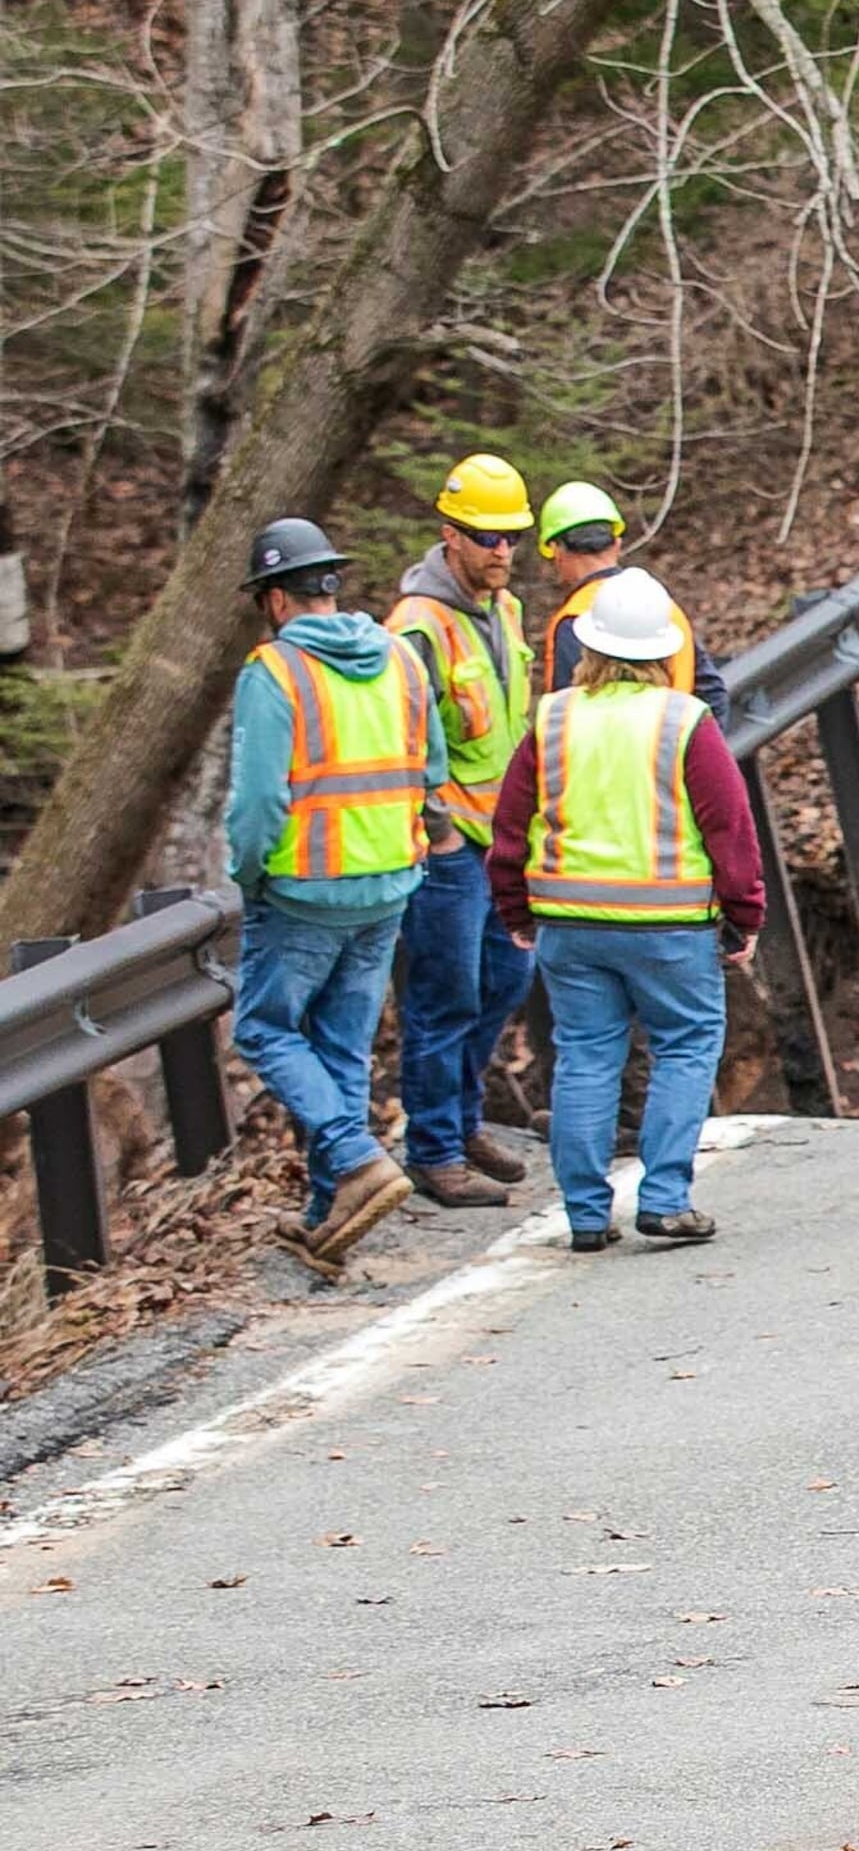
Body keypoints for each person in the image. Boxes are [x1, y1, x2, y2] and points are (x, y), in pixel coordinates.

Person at [483, 569, 768, 1252]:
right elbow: (728, 825)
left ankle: (585, 1213)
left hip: (572, 925)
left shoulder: (551, 718)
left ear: (589, 647)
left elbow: (511, 825)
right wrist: (745, 914)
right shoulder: (684, 721)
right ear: (664, 652)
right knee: (687, 1045)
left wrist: (515, 909)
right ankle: (665, 1198)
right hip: (669, 926)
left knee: (583, 1055)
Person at [223, 516, 431, 1272]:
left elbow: (254, 808)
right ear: (330, 586)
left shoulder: (274, 673)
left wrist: (249, 875)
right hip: (387, 884)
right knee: (340, 1045)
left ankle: (354, 1157)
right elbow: (430, 767)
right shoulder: (401, 659)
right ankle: (327, 1211)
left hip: (304, 889)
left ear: (276, 599)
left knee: (265, 1032)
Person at [387, 451, 540, 1210]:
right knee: (444, 995)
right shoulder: (417, 627)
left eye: (512, 535)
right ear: (450, 536)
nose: (502, 549)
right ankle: (435, 1148)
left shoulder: (504, 611)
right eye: (487, 537)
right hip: (450, 848)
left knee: (507, 979)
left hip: (504, 835)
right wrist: (439, 827)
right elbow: (403, 739)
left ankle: (464, 1118)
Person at [535, 480, 729, 722]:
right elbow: (712, 693)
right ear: (617, 543)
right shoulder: (663, 607)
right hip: (672, 754)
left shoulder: (575, 620)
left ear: (556, 550)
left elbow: (566, 722)